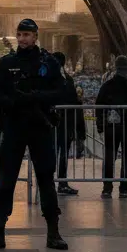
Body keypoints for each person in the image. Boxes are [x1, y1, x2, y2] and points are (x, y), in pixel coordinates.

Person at [0, 19, 68, 250]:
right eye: (19, 34)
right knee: (6, 181)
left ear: (35, 36)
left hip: (39, 126)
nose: (22, 39)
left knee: (46, 180)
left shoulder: (48, 62)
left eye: (27, 35)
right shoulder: (7, 63)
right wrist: (14, 102)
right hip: (14, 126)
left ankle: (53, 231)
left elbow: (63, 91)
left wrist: (35, 98)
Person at [95, 55, 127, 198]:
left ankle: (107, 188)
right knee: (126, 158)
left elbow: (98, 106)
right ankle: (123, 188)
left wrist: (100, 125)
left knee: (109, 157)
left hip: (111, 127)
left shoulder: (107, 86)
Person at [52, 51, 81, 196]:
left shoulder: (48, 79)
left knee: (53, 153)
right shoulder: (67, 80)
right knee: (62, 153)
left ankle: (49, 183)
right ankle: (62, 183)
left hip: (52, 123)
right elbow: (74, 101)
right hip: (63, 123)